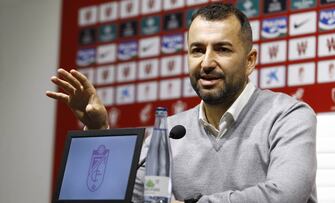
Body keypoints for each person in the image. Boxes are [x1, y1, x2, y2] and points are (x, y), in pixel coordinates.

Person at [47, 3, 317, 203]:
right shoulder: (169, 132)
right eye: (197, 50)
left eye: (222, 49)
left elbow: (286, 195)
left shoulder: (288, 116)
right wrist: (98, 132)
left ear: (250, 61)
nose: (207, 63)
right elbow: (120, 197)